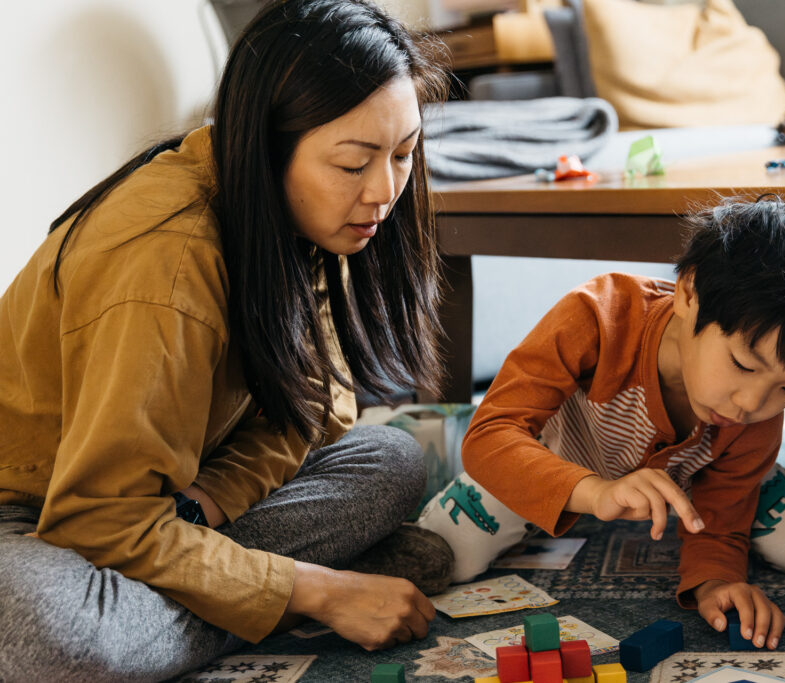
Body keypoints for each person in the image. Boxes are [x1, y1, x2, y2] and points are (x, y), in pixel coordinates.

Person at [0, 0, 455, 679]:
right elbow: (96, 517)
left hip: (178, 495)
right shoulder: (166, 261)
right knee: (56, 636)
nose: (385, 191)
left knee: (391, 458)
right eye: (354, 164)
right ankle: (287, 592)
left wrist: (205, 503)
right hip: (43, 519)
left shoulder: (296, 215)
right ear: (270, 147)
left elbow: (316, 413)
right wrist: (316, 591)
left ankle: (228, 587)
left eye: (403, 153)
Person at [418, 195, 785, 651]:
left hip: (687, 476)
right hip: (545, 457)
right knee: (443, 555)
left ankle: (752, 476)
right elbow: (491, 437)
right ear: (688, 293)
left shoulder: (756, 414)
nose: (749, 403)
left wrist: (716, 583)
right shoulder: (596, 316)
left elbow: (719, 531)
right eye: (743, 364)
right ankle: (433, 429)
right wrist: (594, 492)